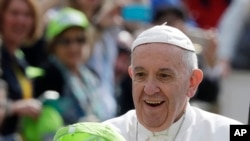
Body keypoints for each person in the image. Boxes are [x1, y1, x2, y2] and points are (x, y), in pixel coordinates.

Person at [103, 23, 242, 141]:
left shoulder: (227, 134)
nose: (149, 89)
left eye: (164, 76)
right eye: (141, 75)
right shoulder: (105, 135)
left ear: (192, 82)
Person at [34, 7, 116, 124]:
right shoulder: (47, 77)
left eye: (80, 40)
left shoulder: (91, 75)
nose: (74, 47)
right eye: (65, 41)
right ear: (53, 46)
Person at [0, 0, 42, 136]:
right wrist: (14, 107)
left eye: (27, 15)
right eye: (14, 13)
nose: (21, 21)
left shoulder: (19, 59)